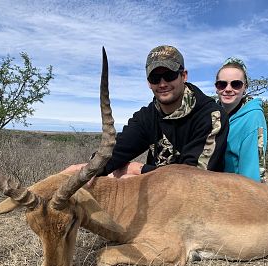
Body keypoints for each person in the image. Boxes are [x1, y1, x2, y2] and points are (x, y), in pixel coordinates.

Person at [65, 45, 229, 177]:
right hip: (158, 192)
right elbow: (117, 152)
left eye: (169, 75)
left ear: (184, 76)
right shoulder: (147, 116)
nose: (162, 83)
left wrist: (140, 170)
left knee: (128, 176)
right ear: (148, 83)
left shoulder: (211, 116)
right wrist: (85, 169)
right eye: (155, 78)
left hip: (197, 201)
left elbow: (193, 178)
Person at [215, 57, 267, 182]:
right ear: (216, 87)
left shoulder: (253, 118)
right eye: (222, 84)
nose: (228, 89)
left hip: (236, 193)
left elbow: (253, 174)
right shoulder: (212, 114)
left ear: (245, 87)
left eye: (236, 84)